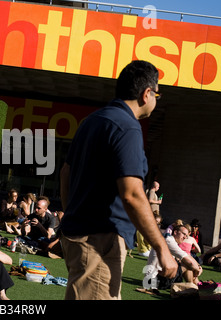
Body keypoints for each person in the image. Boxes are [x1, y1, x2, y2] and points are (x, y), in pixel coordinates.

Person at [59, 60, 178, 300]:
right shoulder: (127, 127)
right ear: (147, 94)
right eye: (157, 94)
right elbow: (132, 194)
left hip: (81, 236)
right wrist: (162, 249)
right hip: (99, 240)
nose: (156, 100)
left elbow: (65, 173)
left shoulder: (91, 121)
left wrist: (72, 214)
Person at [144, 224, 203, 290]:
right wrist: (198, 268)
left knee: (185, 264)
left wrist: (197, 266)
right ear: (175, 232)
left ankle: (196, 286)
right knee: (187, 265)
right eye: (184, 234)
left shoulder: (169, 240)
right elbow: (188, 259)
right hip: (155, 281)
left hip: (155, 278)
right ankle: (196, 287)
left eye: (186, 236)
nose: (185, 237)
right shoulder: (168, 240)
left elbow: (185, 256)